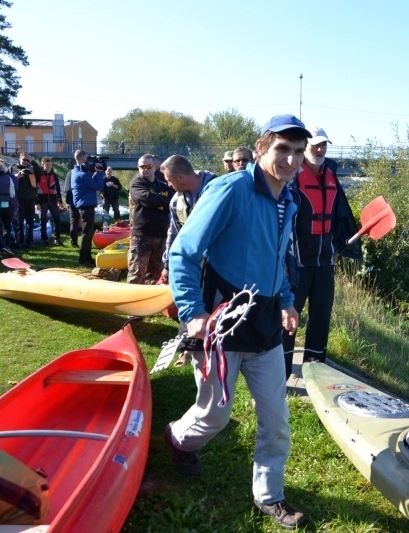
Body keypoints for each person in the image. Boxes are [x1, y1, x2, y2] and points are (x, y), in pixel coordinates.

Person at [165, 114, 309, 529]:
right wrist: (193, 313)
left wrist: (286, 302)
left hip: (265, 327)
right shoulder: (230, 189)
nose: (291, 160)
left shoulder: (289, 200)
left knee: (276, 419)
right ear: (262, 148)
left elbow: (275, 259)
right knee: (215, 415)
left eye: (298, 152)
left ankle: (270, 495)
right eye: (283, 149)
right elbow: (183, 253)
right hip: (221, 325)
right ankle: (178, 440)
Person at [282, 126, 362, 379]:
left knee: (321, 317)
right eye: (315, 144)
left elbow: (340, 215)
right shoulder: (292, 177)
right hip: (297, 263)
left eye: (323, 145)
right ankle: (281, 372)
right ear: (305, 146)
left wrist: (341, 246)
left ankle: (315, 370)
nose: (320, 149)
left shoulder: (331, 175)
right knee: (288, 319)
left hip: (325, 261)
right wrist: (281, 258)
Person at [159, 154, 217, 284]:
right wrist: (167, 264)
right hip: (195, 264)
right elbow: (174, 233)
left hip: (221, 263)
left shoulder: (219, 189)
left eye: (169, 180)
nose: (168, 184)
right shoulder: (176, 202)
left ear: (180, 177)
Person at [127, 153, 172, 284]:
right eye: (142, 166)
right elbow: (147, 198)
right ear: (138, 167)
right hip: (142, 235)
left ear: (155, 167)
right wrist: (162, 203)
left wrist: (161, 205)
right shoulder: (136, 183)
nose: (145, 169)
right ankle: (132, 297)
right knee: (137, 274)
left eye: (149, 166)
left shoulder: (163, 186)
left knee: (156, 275)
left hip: (161, 236)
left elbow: (173, 202)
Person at [71, 150, 105, 267]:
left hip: (84, 205)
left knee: (89, 233)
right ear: (82, 159)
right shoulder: (82, 175)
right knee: (87, 233)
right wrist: (99, 172)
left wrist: (93, 172)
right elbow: (98, 186)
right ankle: (83, 259)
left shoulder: (75, 172)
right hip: (86, 206)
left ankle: (87, 257)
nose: (88, 161)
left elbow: (89, 181)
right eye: (87, 158)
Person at [36, 156, 64, 245]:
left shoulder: (54, 175)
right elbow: (34, 189)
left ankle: (57, 239)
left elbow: (58, 189)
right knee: (43, 221)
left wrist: (60, 201)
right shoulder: (38, 175)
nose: (48, 166)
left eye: (50, 165)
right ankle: (44, 239)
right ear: (42, 165)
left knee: (57, 220)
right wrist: (37, 202)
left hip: (53, 200)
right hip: (42, 201)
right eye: (46, 165)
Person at [14, 152, 38, 248]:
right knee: (19, 221)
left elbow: (41, 173)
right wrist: (16, 177)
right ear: (19, 159)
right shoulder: (13, 168)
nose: (26, 162)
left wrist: (33, 162)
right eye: (24, 159)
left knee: (30, 221)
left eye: (28, 160)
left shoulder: (31, 169)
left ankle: (30, 241)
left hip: (30, 198)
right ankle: (20, 242)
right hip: (19, 198)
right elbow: (8, 180)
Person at [62, 166, 81, 247]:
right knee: (78, 219)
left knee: (73, 220)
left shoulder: (69, 174)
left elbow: (66, 188)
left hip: (70, 200)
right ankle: (79, 237)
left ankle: (74, 241)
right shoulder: (79, 174)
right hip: (78, 200)